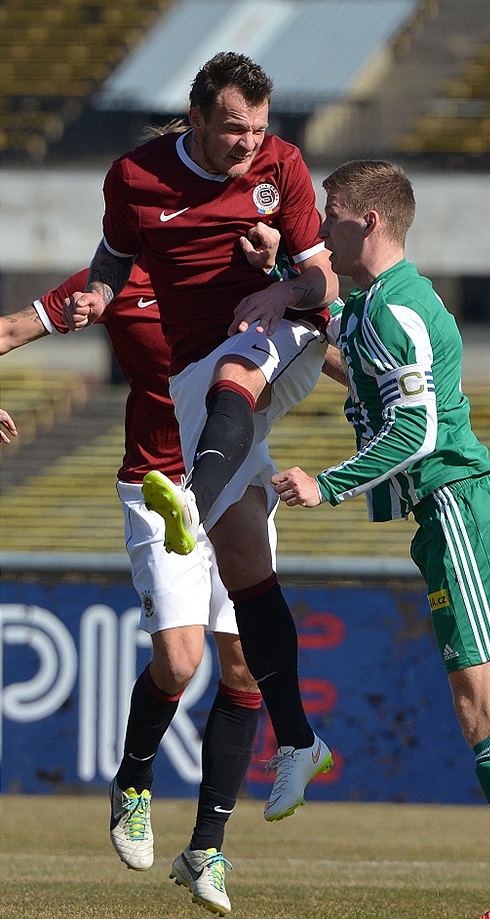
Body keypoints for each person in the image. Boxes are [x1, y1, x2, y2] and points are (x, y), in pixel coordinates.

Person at [271, 160, 490, 919]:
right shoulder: (383, 303)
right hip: (478, 501)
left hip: (457, 507)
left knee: (481, 706)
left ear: (370, 220)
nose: (322, 228)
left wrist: (328, 483)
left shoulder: (397, 308)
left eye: (332, 214)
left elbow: (417, 429)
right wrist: (283, 281)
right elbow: (363, 369)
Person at [61, 51, 338, 828]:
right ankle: (298, 738)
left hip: (273, 337)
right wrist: (99, 291)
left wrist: (281, 280)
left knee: (236, 374)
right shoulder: (135, 177)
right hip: (196, 376)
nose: (250, 143)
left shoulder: (283, 165)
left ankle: (187, 494)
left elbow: (324, 279)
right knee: (248, 571)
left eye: (258, 127)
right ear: (197, 117)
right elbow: (115, 255)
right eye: (233, 129)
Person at [0, 227, 278, 916]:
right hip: (157, 489)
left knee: (245, 665)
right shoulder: (113, 282)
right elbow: (8, 328)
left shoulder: (249, 276)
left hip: (239, 484)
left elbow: (326, 344)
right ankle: (133, 781)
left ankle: (205, 847)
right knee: (180, 663)